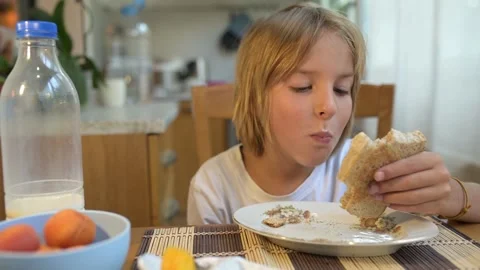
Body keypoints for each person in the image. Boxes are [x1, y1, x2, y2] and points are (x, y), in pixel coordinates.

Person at [187, 2, 480, 225]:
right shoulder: (214, 186)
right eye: (302, 87)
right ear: (255, 98)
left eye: (342, 89)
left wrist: (448, 196)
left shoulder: (369, 178)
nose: (329, 106)